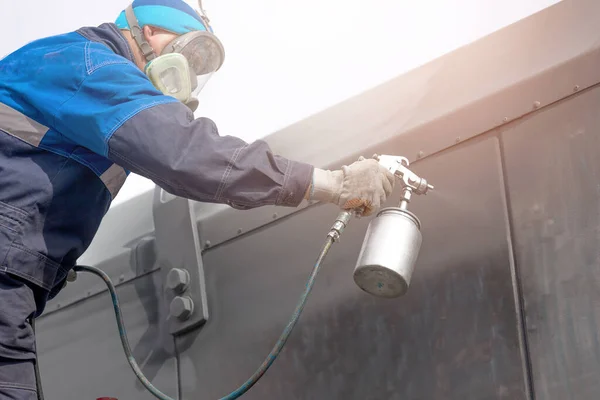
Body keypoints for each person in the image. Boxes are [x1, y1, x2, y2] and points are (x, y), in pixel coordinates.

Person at [0, 0, 394, 397]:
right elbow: (183, 154)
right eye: (188, 51)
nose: (188, 70)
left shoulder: (68, 64)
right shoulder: (93, 67)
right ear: (149, 32)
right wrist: (328, 183)